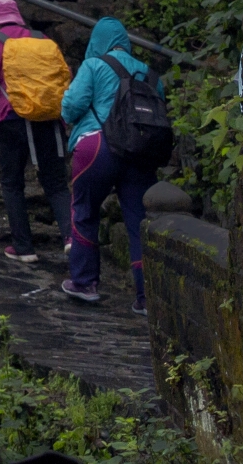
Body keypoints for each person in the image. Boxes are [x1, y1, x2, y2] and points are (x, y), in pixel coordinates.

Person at [61, 17, 161, 308]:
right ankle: (147, 299)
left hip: (98, 147)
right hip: (140, 151)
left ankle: (84, 282)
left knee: (85, 211)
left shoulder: (93, 65)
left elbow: (71, 106)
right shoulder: (150, 73)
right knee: (139, 222)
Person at [0, 0, 71, 261]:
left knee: (13, 183)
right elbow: (62, 77)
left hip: (11, 119)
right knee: (57, 184)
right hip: (48, 118)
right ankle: (72, 238)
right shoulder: (43, 40)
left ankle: (24, 248)